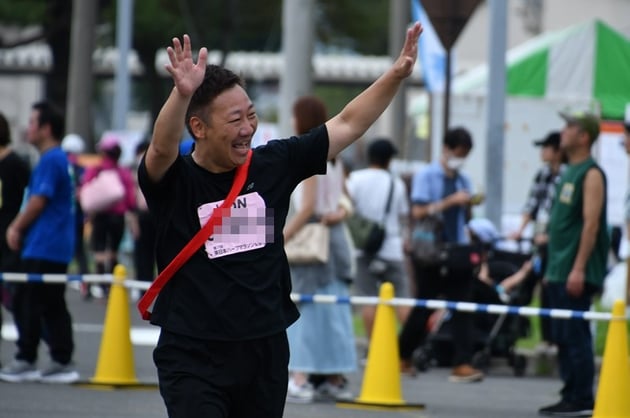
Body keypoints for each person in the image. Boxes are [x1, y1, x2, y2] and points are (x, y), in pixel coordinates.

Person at [138, 24, 422, 418]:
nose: (247, 129)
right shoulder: (175, 181)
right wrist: (182, 94)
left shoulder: (273, 164)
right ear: (198, 128)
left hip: (264, 348)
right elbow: (161, 147)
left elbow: (347, 124)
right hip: (192, 352)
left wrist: (396, 75)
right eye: (234, 120)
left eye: (251, 116)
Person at [284, 96, 356, 403]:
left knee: (305, 311)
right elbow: (345, 201)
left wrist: (281, 237)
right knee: (335, 311)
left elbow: (307, 207)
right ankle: (334, 377)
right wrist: (338, 214)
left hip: (312, 242)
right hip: (335, 240)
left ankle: (299, 376)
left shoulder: (309, 158)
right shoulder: (336, 159)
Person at [0, 101, 79, 383]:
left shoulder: (50, 159)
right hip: (53, 243)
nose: (28, 129)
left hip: (45, 242)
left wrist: (15, 227)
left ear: (46, 129)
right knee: (50, 303)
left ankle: (28, 358)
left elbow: (38, 200)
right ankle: (60, 359)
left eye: (32, 123)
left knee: (29, 302)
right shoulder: (57, 159)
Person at [398, 126, 484, 382]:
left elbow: (466, 218)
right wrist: (450, 202)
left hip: (456, 248)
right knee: (423, 305)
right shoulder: (427, 175)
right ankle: (402, 355)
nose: (460, 158)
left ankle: (463, 362)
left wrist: (470, 203)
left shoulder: (463, 179)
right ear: (446, 149)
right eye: (458, 152)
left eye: (465, 154)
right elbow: (418, 212)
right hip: (430, 250)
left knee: (462, 305)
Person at [538, 111, 608, 417]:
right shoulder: (568, 171)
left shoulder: (591, 174)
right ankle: (569, 392)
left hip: (575, 270)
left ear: (584, 137)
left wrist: (578, 268)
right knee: (562, 336)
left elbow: (591, 225)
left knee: (576, 334)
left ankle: (581, 396)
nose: (562, 131)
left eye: (570, 127)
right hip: (559, 268)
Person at [345, 138, 411, 344]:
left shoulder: (354, 179)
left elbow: (347, 207)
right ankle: (408, 350)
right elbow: (403, 215)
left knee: (368, 300)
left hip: (362, 248)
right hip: (391, 248)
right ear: (389, 160)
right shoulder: (396, 183)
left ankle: (373, 348)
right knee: (402, 298)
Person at [510, 131, 566, 350]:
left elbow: (564, 215)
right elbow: (531, 205)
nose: (542, 151)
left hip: (557, 242)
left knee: (551, 288)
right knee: (532, 286)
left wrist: (550, 236)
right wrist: (520, 230)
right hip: (538, 240)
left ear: (557, 150)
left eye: (546, 147)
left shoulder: (567, 175)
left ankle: (555, 339)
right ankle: (543, 337)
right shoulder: (542, 174)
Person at [81, 135, 136, 298]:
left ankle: (101, 286)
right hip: (118, 217)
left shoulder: (96, 169)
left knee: (98, 249)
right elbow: (130, 197)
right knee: (113, 251)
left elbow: (86, 189)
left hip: (100, 215)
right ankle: (112, 286)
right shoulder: (123, 172)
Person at [0, 111, 31, 366]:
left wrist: (18, 228)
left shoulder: (16, 164)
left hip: (10, 240)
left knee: (17, 298)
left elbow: (30, 199)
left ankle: (26, 351)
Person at [126, 140, 156, 298]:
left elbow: (131, 195)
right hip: (155, 212)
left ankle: (140, 286)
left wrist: (132, 220)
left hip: (141, 213)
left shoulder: (135, 166)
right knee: (153, 252)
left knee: (141, 252)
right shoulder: (156, 162)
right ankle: (150, 285)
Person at [61, 133, 90, 295]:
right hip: (77, 216)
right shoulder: (81, 169)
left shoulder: (59, 164)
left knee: (62, 250)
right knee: (80, 251)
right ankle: (85, 284)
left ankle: (57, 282)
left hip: (62, 217)